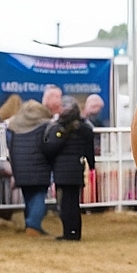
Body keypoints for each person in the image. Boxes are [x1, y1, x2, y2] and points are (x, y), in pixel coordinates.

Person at [42, 97, 94, 241]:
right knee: (74, 203)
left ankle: (68, 233)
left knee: (64, 204)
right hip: (77, 169)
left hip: (61, 171)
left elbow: (50, 149)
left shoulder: (58, 127)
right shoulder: (85, 129)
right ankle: (75, 233)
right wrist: (92, 165)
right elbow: (89, 150)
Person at [7, 99, 54, 236]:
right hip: (40, 166)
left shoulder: (14, 127)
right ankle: (33, 224)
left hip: (20, 167)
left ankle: (31, 225)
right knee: (39, 196)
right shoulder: (45, 126)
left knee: (28, 196)